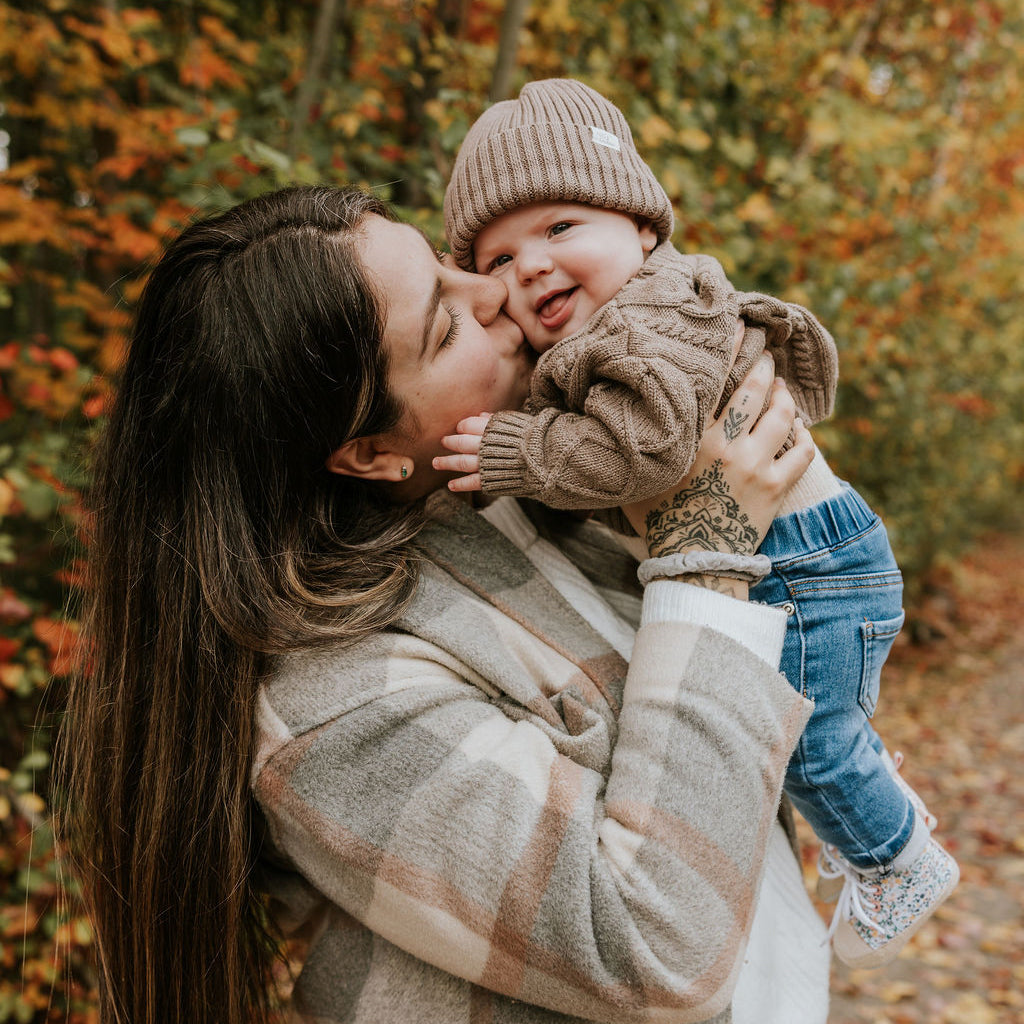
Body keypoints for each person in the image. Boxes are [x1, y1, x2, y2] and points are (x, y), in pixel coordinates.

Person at [57, 184, 830, 1024]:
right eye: (445, 326)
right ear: (367, 452)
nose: (492, 289)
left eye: (441, 261)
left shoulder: (521, 493)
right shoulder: (336, 704)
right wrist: (703, 552)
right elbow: (657, 953)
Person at [439, 78, 958, 969]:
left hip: (808, 568)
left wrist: (515, 451)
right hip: (794, 558)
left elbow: (642, 448)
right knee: (793, 734)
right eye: (498, 258)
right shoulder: (606, 329)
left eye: (560, 227)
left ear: (643, 228)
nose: (528, 266)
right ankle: (878, 811)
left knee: (810, 748)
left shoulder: (662, 311)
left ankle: (900, 858)